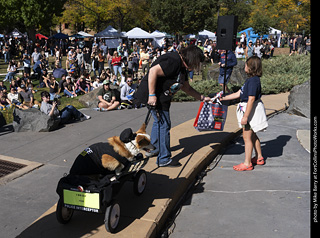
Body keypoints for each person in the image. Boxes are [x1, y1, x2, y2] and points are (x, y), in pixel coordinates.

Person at [134, 45, 212, 167]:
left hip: (161, 98)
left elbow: (187, 88)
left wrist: (202, 98)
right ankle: (163, 159)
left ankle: (153, 149)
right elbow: (153, 71)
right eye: (197, 63)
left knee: (159, 123)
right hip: (154, 96)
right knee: (164, 124)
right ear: (192, 59)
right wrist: (152, 95)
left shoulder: (181, 68)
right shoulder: (173, 60)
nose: (197, 66)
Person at [220, 56, 268, 171]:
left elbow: (251, 99)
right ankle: (259, 157)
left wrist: (245, 116)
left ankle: (247, 163)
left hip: (249, 111)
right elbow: (239, 93)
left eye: (246, 65)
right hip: (249, 109)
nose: (244, 66)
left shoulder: (253, 81)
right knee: (253, 135)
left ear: (251, 67)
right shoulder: (252, 80)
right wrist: (224, 98)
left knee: (247, 138)